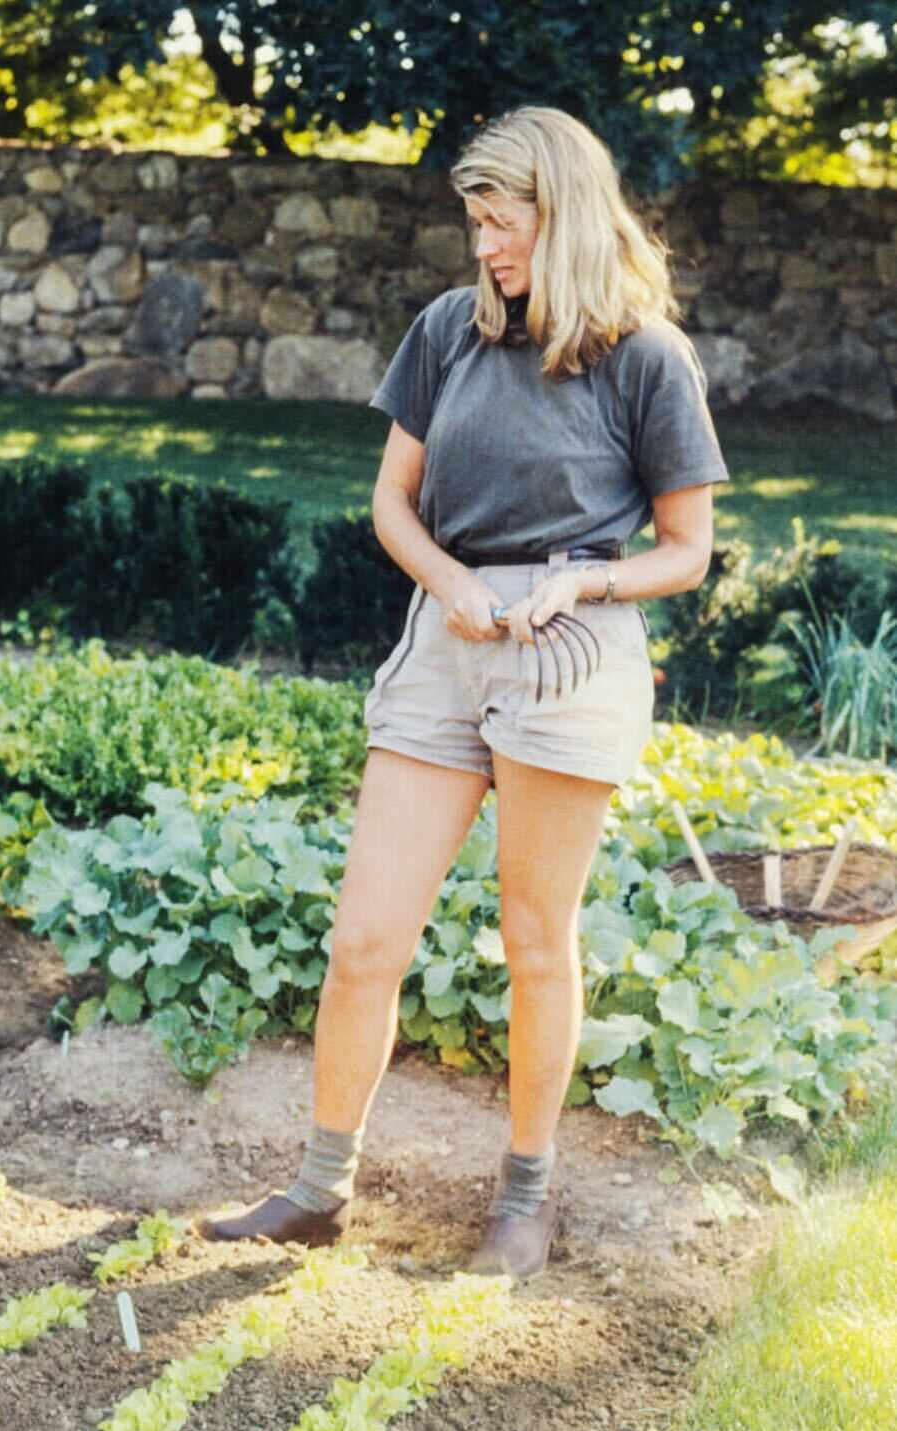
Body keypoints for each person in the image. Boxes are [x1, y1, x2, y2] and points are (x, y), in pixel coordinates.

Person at [196, 105, 728, 1278]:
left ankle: (524, 1202)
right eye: (477, 224)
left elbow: (685, 549)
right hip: (440, 644)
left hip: (568, 657)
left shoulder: (645, 356)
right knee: (363, 939)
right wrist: (448, 583)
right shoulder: (447, 331)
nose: (485, 246)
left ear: (568, 214)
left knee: (535, 943)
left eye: (503, 223)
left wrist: (580, 583)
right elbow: (394, 505)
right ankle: (319, 1187)